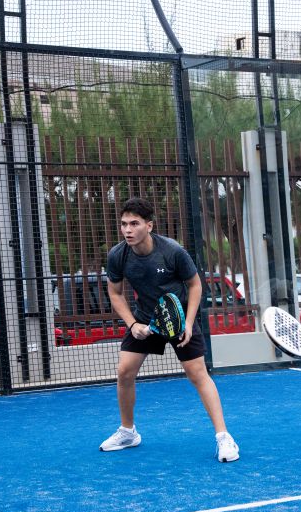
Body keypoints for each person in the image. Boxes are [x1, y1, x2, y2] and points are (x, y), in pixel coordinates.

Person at [99, 197, 239, 462]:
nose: (128, 230)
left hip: (178, 317)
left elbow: (196, 285)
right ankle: (128, 432)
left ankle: (224, 437)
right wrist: (133, 324)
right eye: (124, 224)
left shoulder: (172, 251)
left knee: (197, 374)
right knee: (124, 372)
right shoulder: (118, 255)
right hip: (145, 319)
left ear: (149, 226)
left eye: (134, 224)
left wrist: (187, 323)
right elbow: (115, 293)